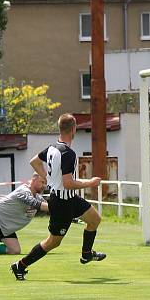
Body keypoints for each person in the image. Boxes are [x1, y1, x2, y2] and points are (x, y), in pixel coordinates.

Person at [10, 113, 105, 281]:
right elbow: (68, 183)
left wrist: (47, 177)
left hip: (70, 199)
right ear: (73, 129)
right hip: (61, 203)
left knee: (94, 219)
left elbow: (34, 161)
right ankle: (20, 265)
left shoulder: (53, 148)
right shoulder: (68, 153)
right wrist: (90, 182)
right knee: (53, 242)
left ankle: (86, 254)